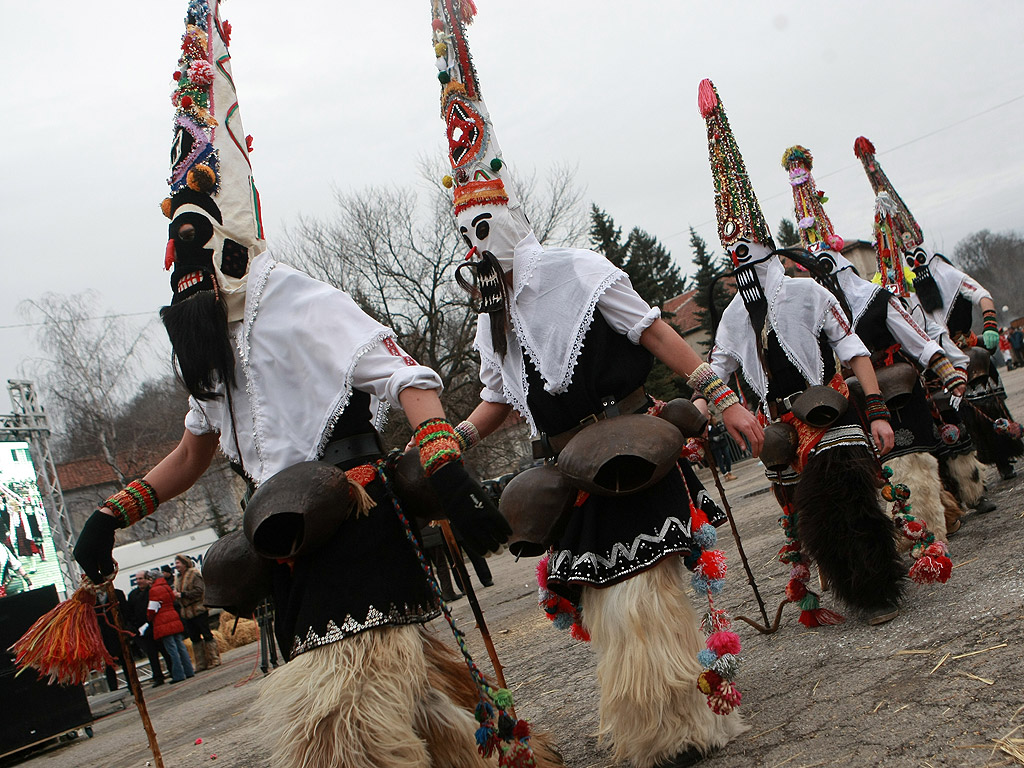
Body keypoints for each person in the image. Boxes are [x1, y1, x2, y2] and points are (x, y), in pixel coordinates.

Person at [72, 3, 517, 767]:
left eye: (194, 247)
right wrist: (112, 514)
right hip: (283, 538)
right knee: (402, 703)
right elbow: (194, 445)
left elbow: (408, 375)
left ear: (228, 237)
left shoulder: (296, 299)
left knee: (342, 723)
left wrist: (445, 466)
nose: (185, 273)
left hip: (354, 518)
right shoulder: (212, 332)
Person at [426, 8, 763, 767]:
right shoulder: (492, 318)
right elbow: (501, 398)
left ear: (503, 225)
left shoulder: (578, 269)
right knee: (613, 603)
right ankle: (657, 724)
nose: (473, 253)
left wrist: (724, 397)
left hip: (633, 447)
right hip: (573, 467)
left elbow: (655, 333)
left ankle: (682, 723)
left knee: (649, 593)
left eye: (481, 235)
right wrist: (454, 438)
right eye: (464, 240)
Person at [697, 81, 905, 627]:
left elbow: (853, 349)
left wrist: (878, 410)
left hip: (828, 412)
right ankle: (840, 588)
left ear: (766, 249)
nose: (740, 267)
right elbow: (714, 374)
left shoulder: (810, 293)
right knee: (802, 517)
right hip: (776, 431)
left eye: (747, 254)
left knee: (847, 500)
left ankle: (875, 589)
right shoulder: (732, 317)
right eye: (731, 257)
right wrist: (691, 423)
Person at [780, 145, 967, 543]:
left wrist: (946, 369)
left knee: (913, 464)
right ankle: (899, 537)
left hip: (896, 386)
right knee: (871, 476)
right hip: (851, 400)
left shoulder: (876, 298)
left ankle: (930, 540)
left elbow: (918, 340)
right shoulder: (813, 309)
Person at [854, 137, 1023, 482]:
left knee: (978, 373)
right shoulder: (892, 286)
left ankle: (1002, 452)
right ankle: (954, 481)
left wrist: (989, 323)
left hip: (959, 346)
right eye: (907, 257)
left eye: (916, 255)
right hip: (922, 357)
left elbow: (982, 295)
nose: (915, 262)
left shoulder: (939, 269)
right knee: (936, 415)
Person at [173, 553, 221, 671]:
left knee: (206, 634)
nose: (176, 566)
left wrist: (183, 595)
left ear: (184, 563)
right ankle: (201, 663)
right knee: (194, 637)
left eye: (178, 563)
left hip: (198, 609)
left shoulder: (194, 574)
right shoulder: (178, 577)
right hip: (187, 612)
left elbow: (200, 590)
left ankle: (214, 658)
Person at [147, 570, 194, 683]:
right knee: (180, 646)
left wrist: (149, 617)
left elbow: (152, 608)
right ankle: (189, 670)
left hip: (163, 620)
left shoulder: (154, 590)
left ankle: (178, 674)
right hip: (173, 616)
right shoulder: (166, 586)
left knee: (171, 649)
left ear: (152, 579)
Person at [126, 570, 172, 687]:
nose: (139, 581)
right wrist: (136, 627)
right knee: (151, 654)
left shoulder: (151, 592)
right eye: (137, 579)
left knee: (165, 651)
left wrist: (149, 623)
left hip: (154, 626)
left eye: (141, 579)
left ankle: (172, 670)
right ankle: (158, 676)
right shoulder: (133, 595)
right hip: (142, 630)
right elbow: (130, 613)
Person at [707, 416, 736, 480]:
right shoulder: (707, 427)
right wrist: (712, 438)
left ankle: (729, 471)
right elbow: (706, 437)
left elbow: (723, 429)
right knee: (720, 459)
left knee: (727, 457)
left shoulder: (718, 424)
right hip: (715, 445)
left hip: (722, 442)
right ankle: (725, 474)